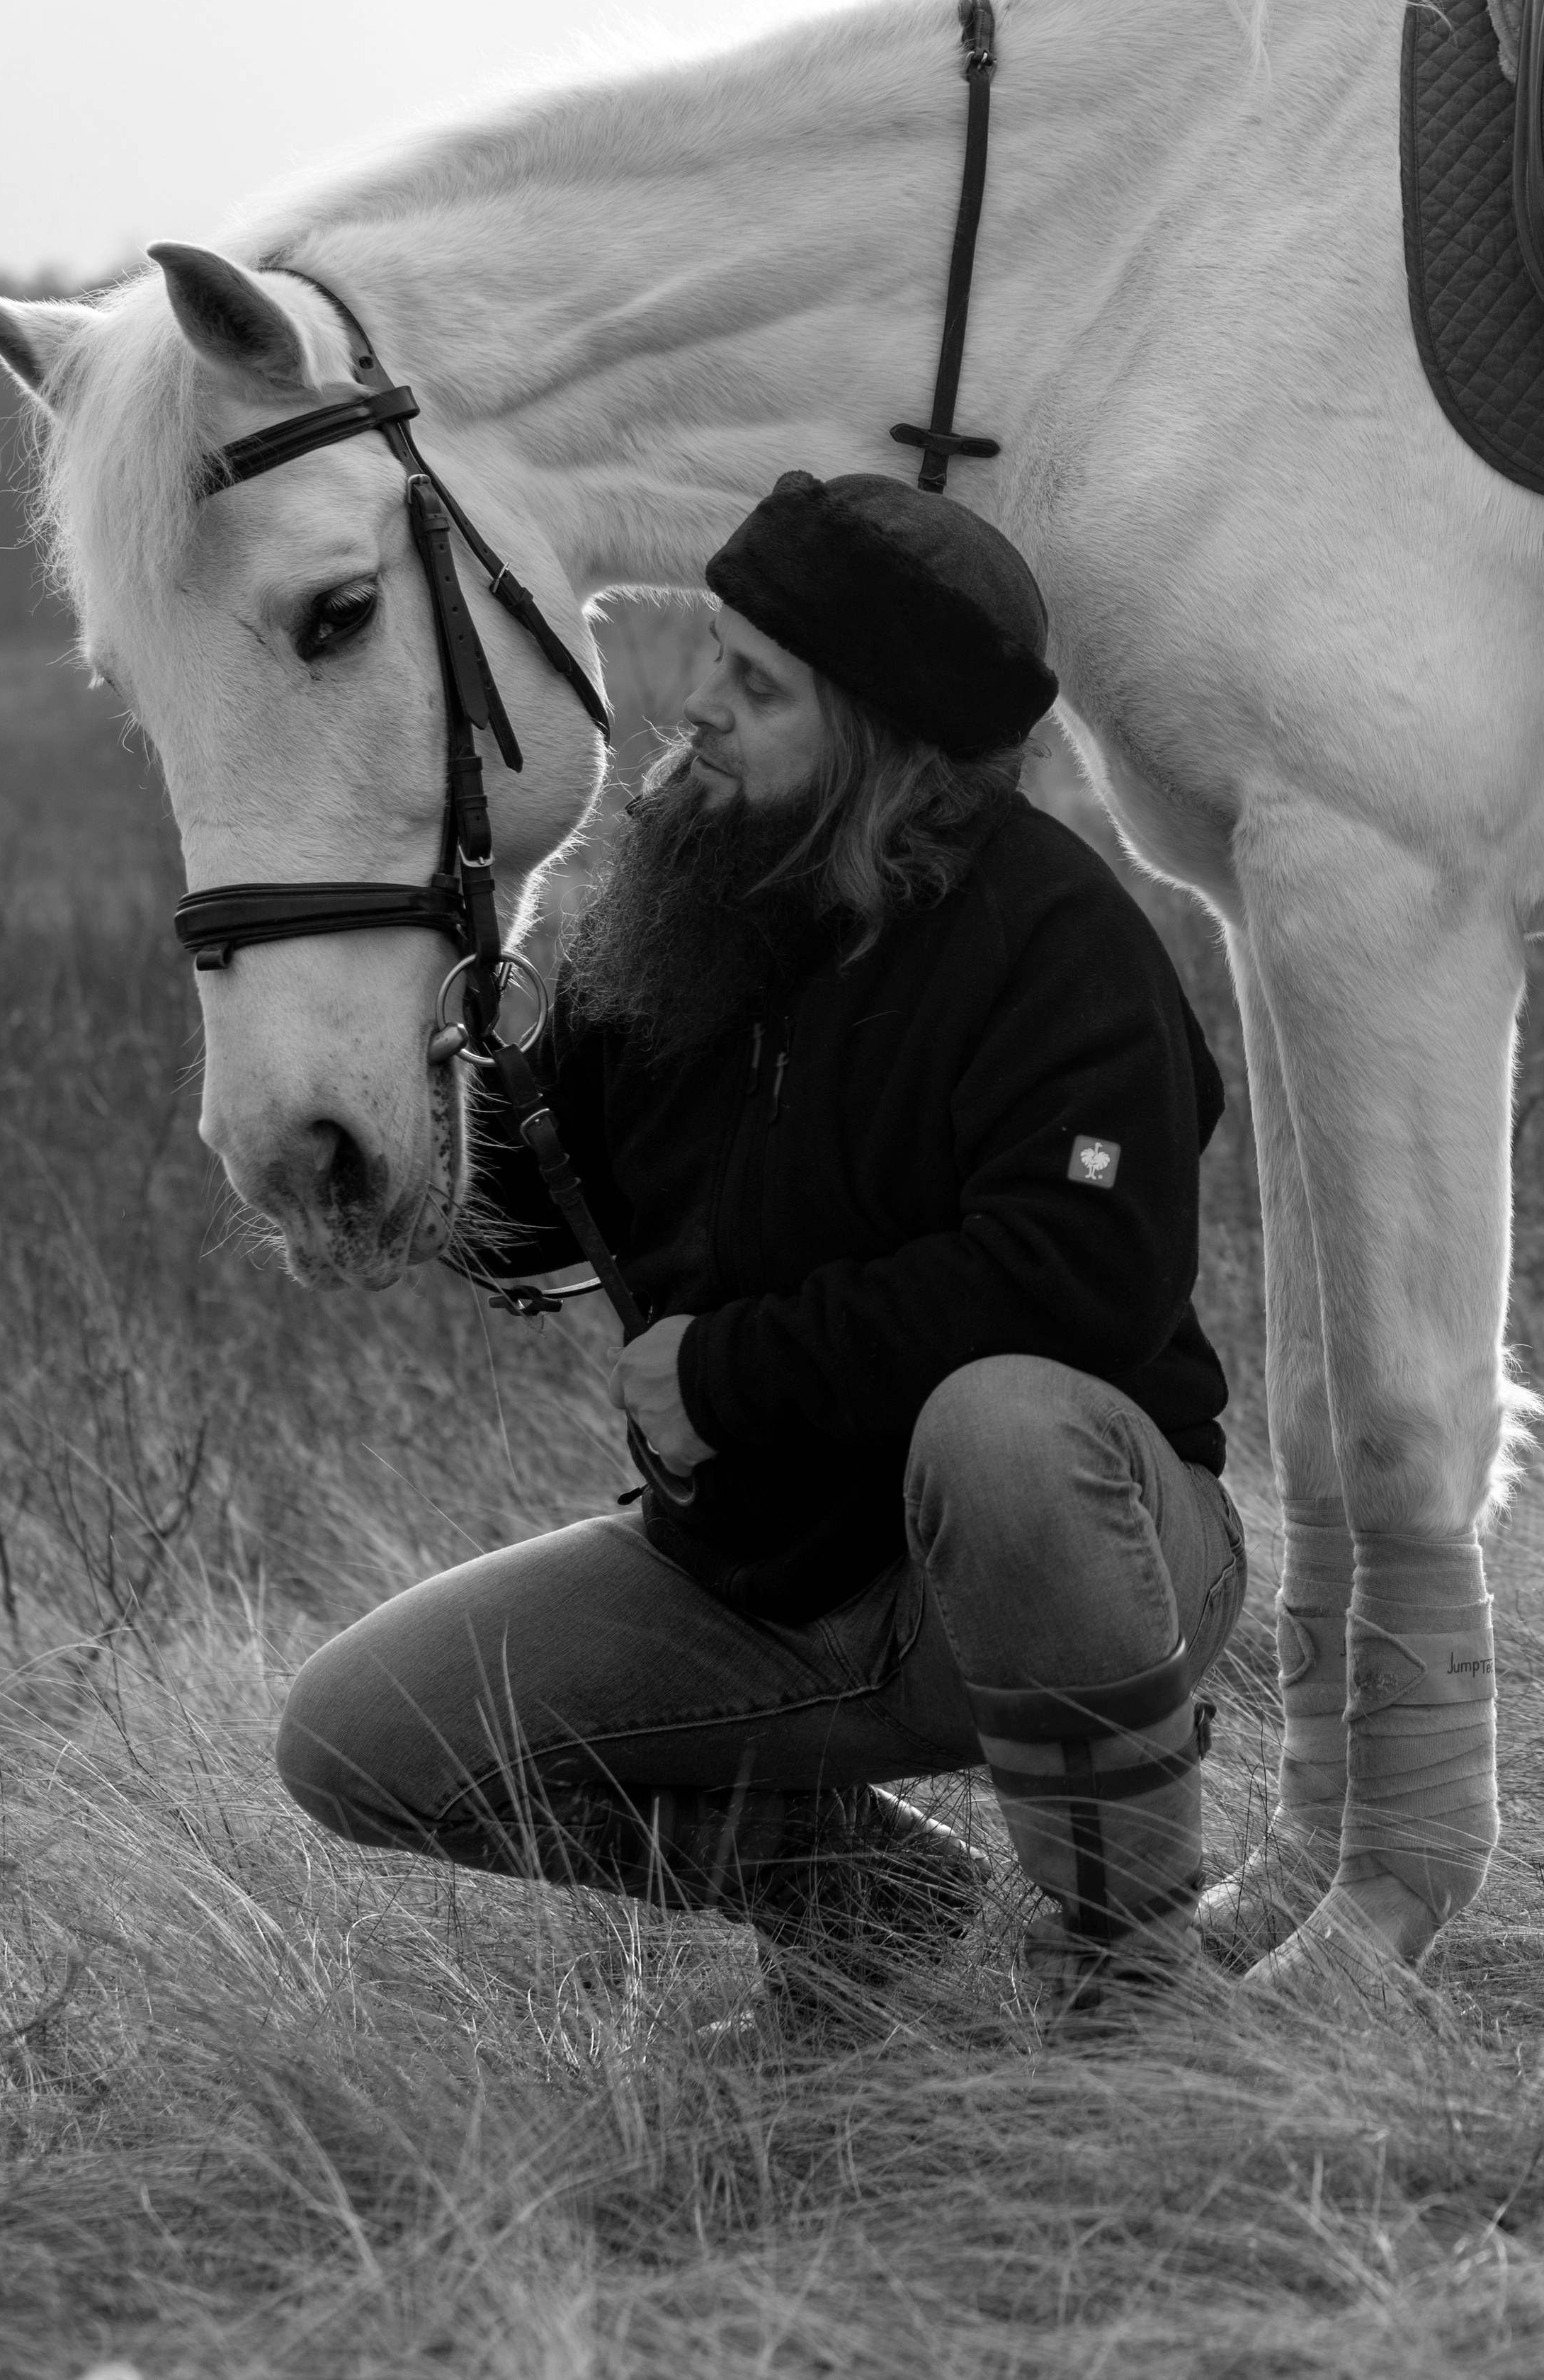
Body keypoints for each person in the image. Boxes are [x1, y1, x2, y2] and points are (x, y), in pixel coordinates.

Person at [276, 469, 1246, 2027]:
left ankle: (1132, 1986)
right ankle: (881, 1911)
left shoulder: (1062, 945)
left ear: (885, 740)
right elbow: (536, 1208)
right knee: (358, 1734)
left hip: (1071, 1556)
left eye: (759, 684)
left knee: (1002, 1422)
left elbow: (1077, 1281)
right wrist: (412, 1095)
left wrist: (727, 1376)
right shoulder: (692, 905)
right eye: (712, 654)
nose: (695, 708)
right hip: (755, 1572)